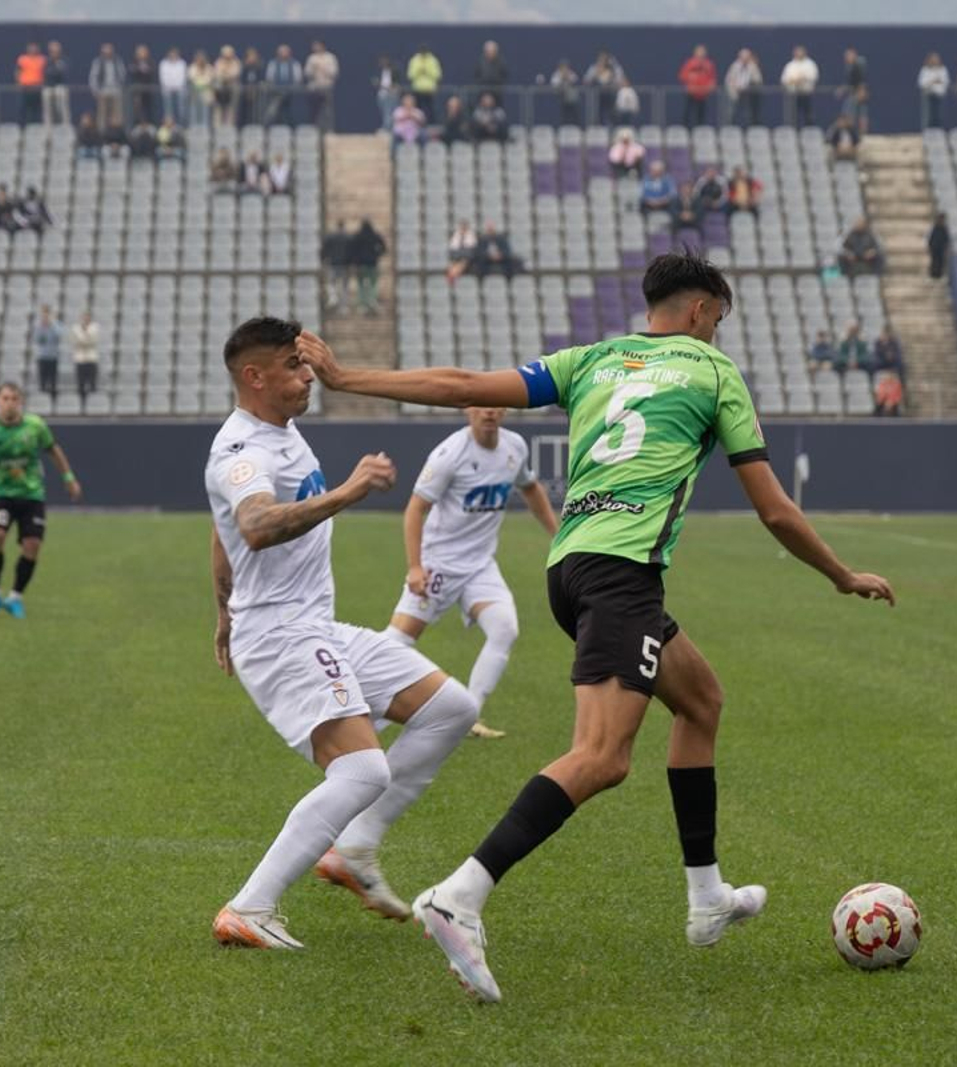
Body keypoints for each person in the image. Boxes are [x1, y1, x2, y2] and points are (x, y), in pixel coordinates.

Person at [295, 252, 895, 1003]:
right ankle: (461, 893)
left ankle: (707, 896)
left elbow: (463, 385)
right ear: (704, 310)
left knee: (701, 701)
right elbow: (773, 508)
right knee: (602, 756)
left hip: (571, 566)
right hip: (621, 575)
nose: (720, 332)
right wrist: (841, 574)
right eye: (722, 319)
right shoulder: (713, 374)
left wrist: (351, 379)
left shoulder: (591, 360)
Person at [203, 316, 480, 951]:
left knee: (450, 709)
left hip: (308, 624)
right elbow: (255, 525)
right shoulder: (244, 452)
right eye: (294, 367)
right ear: (254, 376)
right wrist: (352, 490)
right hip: (281, 637)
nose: (307, 377)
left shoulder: (280, 431)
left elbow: (221, 532)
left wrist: (223, 608)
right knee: (360, 771)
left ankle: (352, 848)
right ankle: (250, 907)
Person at [386, 408, 560, 741]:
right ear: (468, 410)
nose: (489, 411)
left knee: (504, 629)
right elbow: (415, 509)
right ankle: (351, 698)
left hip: (480, 565)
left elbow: (532, 488)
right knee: (398, 642)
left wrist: (558, 535)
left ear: (505, 409)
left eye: (496, 404)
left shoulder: (515, 447)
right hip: (440, 563)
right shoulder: (450, 454)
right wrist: (415, 566)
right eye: (481, 404)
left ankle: (468, 715)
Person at [0, 382, 83, 620]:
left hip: (31, 495)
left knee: (32, 546)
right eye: (5, 398)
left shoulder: (35, 426)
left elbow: (53, 450)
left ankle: (15, 597)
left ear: (21, 402)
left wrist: (68, 478)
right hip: (2, 495)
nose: (9, 403)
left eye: (14, 399)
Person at [348, 218, 386, 316]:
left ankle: (362, 304)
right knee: (373, 284)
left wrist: (354, 262)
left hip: (361, 265)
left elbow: (352, 251)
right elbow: (384, 248)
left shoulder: (357, 236)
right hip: (372, 264)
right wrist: (377, 255)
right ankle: (372, 301)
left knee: (361, 285)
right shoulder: (375, 235)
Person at [678, 44, 717, 129]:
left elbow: (712, 78)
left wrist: (710, 86)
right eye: (699, 51)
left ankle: (700, 133)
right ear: (695, 53)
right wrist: (689, 82)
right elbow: (682, 75)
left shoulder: (709, 64)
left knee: (701, 115)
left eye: (702, 52)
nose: (701, 53)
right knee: (688, 114)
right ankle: (686, 132)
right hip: (691, 93)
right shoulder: (689, 63)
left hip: (703, 94)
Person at [89, 43, 127, 131]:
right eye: (105, 52)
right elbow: (93, 77)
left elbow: (123, 74)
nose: (107, 54)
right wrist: (95, 91)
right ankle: (101, 131)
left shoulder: (118, 61)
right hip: (103, 90)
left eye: (109, 52)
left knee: (117, 113)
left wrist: (120, 88)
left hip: (115, 90)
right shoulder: (98, 62)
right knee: (102, 114)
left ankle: (117, 131)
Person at [780, 45, 819, 128]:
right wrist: (792, 81)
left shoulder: (810, 64)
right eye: (797, 52)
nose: (799, 54)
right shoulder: (790, 65)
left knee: (808, 115)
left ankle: (809, 132)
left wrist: (801, 79)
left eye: (800, 52)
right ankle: (795, 132)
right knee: (794, 116)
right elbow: (784, 79)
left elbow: (813, 76)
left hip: (806, 94)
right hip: (793, 95)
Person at [304, 40, 339, 130]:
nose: (315, 48)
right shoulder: (311, 58)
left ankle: (328, 129)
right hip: (314, 88)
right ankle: (315, 129)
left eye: (317, 46)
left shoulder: (330, 57)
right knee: (314, 110)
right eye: (314, 46)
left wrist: (322, 68)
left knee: (327, 110)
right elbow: (307, 73)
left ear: (322, 46)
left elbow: (334, 73)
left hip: (326, 88)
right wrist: (313, 68)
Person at [724, 48, 763, 128]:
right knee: (731, 113)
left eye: (747, 57)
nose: (745, 59)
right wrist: (734, 87)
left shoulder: (752, 66)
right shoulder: (734, 66)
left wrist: (755, 68)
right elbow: (728, 80)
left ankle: (747, 129)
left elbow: (758, 80)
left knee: (747, 114)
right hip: (734, 94)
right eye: (743, 57)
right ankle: (730, 129)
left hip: (747, 95)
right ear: (739, 57)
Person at [70, 310, 100, 407]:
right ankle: (81, 405)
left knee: (92, 384)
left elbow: (93, 340)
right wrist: (85, 339)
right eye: (84, 317)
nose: (85, 319)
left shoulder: (95, 327)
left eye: (87, 317)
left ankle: (94, 406)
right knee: (80, 384)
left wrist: (83, 338)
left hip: (91, 359)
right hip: (80, 359)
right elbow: (74, 341)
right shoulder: (75, 328)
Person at [33, 304, 63, 399]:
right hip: (42, 355)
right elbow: (37, 339)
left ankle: (52, 397)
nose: (45, 316)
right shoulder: (38, 325)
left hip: (53, 355)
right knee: (43, 377)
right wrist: (42, 327)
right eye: (43, 314)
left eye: (47, 313)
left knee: (53, 378)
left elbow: (60, 334)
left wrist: (52, 324)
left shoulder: (56, 324)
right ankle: (42, 397)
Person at [322, 219, 351, 311]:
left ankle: (333, 298)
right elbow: (352, 251)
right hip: (344, 264)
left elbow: (324, 249)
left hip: (333, 263)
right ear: (343, 226)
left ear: (337, 226)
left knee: (331, 283)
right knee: (344, 287)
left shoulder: (330, 237)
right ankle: (343, 307)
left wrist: (324, 258)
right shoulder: (348, 237)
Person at [407, 45, 442, 119]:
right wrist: (419, 70)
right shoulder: (414, 60)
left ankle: (430, 124)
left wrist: (427, 71)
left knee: (430, 109)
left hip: (429, 89)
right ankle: (418, 124)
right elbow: (410, 75)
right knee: (417, 109)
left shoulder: (433, 60)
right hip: (417, 89)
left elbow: (437, 75)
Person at [16, 42, 47, 126]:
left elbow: (45, 73)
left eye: (34, 48)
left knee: (36, 110)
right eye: (31, 48)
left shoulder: (42, 59)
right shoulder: (22, 59)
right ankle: (22, 130)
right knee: (23, 110)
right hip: (26, 88)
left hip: (37, 88)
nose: (32, 50)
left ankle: (36, 129)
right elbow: (18, 72)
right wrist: (19, 83)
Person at [159, 47, 188, 128]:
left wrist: (177, 86)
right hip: (167, 89)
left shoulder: (182, 63)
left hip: (179, 89)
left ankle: (181, 125)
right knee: (168, 110)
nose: (173, 56)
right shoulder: (163, 63)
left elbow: (182, 77)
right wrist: (170, 86)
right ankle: (169, 126)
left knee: (181, 108)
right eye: (171, 54)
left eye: (174, 54)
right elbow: (163, 77)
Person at [918, 53, 949, 129]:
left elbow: (946, 82)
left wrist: (937, 82)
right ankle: (929, 130)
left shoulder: (943, 69)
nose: (935, 61)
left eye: (936, 59)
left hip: (940, 96)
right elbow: (921, 83)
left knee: (939, 115)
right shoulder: (925, 70)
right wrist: (932, 81)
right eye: (933, 59)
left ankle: (940, 130)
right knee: (930, 115)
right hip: (929, 96)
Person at [43, 41, 69, 126]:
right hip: (49, 87)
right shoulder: (47, 61)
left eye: (56, 51)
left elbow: (62, 74)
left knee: (62, 103)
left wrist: (55, 71)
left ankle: (65, 126)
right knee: (46, 97)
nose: (55, 53)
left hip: (60, 87)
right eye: (52, 51)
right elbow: (47, 74)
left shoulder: (63, 61)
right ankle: (48, 129)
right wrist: (55, 71)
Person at [549, 60, 581, 128]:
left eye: (565, 67)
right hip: (560, 99)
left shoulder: (571, 73)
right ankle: (561, 130)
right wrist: (562, 78)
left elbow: (575, 80)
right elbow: (554, 83)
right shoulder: (556, 74)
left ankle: (577, 129)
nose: (564, 68)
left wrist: (567, 77)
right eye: (562, 67)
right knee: (562, 116)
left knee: (574, 115)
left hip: (571, 99)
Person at [927, 211, 950, 279]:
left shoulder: (944, 229)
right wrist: (931, 246)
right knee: (934, 261)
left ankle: (939, 275)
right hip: (934, 248)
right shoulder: (935, 228)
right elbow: (931, 238)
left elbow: (946, 239)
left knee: (941, 261)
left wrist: (945, 247)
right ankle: (933, 274)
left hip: (941, 248)